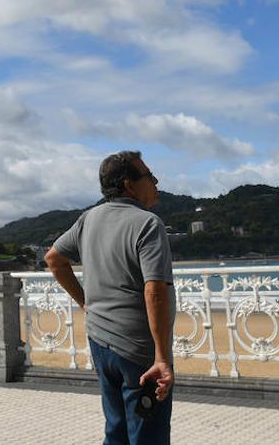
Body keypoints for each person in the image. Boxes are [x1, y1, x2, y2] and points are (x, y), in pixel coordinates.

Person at [45, 150, 175, 445]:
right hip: (138, 349)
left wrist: (84, 303)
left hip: (101, 342)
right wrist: (162, 357)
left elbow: (54, 259)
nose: (156, 181)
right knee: (147, 435)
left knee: (116, 430)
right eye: (149, 176)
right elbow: (155, 291)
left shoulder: (88, 218)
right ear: (129, 185)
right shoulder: (148, 223)